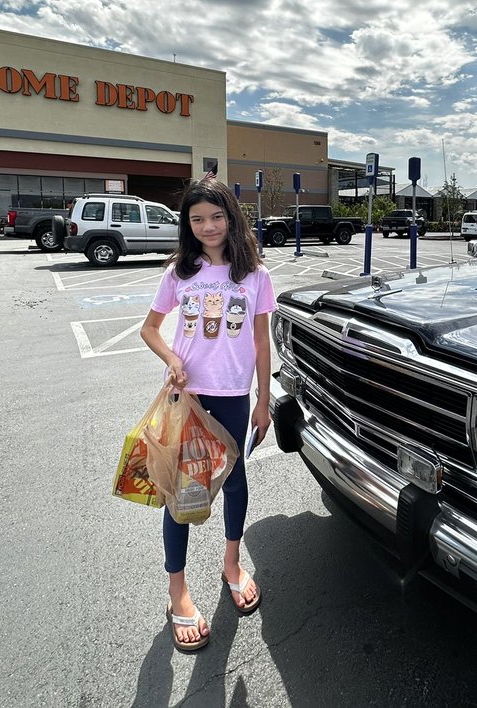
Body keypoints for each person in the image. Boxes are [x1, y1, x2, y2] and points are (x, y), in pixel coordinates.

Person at [139, 178, 276, 653]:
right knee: (183, 492)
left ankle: (232, 563)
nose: (208, 226)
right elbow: (150, 329)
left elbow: (262, 341)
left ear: (232, 218)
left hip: (236, 397)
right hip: (188, 398)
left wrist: (263, 398)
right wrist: (171, 360)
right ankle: (177, 589)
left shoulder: (254, 273)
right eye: (197, 219)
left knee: (234, 482)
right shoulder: (181, 271)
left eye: (216, 217)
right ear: (187, 224)